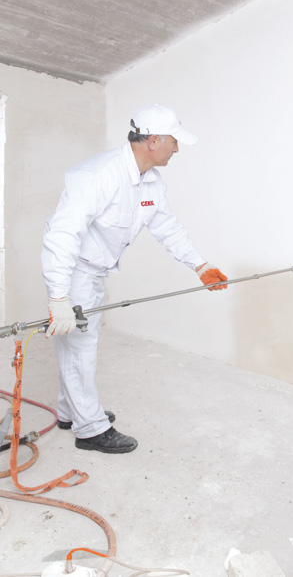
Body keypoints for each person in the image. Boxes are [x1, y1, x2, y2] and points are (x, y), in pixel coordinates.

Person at [41, 103, 227, 454]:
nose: (177, 148)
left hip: (95, 272)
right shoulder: (98, 175)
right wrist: (59, 296)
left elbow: (167, 226)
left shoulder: (150, 182)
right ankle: (90, 429)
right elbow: (62, 235)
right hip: (74, 271)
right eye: (174, 141)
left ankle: (71, 412)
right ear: (153, 141)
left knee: (77, 345)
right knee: (80, 348)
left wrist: (200, 265)